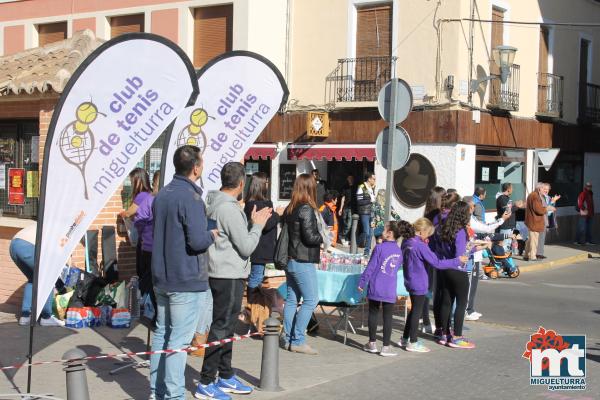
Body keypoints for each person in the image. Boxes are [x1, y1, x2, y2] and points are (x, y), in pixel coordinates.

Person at [196, 162, 271, 399]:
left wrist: (248, 223)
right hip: (227, 274)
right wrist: (257, 226)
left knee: (226, 327)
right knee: (221, 327)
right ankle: (206, 381)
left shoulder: (216, 203)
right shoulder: (228, 209)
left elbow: (230, 237)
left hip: (221, 270)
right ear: (241, 184)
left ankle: (225, 375)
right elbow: (247, 246)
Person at [150, 145, 216, 400]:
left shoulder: (163, 194)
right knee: (177, 342)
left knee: (162, 335)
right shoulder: (191, 199)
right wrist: (211, 234)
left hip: (163, 277)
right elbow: (197, 241)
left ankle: (157, 393)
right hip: (185, 280)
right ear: (196, 168)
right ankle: (174, 395)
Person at [397, 219, 467, 353]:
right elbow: (437, 263)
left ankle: (405, 338)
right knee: (416, 313)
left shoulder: (407, 241)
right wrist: (457, 261)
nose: (428, 237)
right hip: (420, 282)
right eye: (428, 234)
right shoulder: (420, 246)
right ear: (422, 231)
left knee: (413, 311)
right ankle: (413, 342)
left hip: (409, 280)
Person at [282, 174, 323, 355]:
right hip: (302, 260)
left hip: (291, 260)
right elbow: (309, 236)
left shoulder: (291, 208)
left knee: (292, 300)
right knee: (311, 299)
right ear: (309, 188)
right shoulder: (306, 209)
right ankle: (298, 339)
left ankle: (288, 338)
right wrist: (323, 236)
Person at [434, 201, 484, 349]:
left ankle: (444, 333)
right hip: (457, 270)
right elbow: (460, 255)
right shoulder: (460, 231)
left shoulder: (444, 227)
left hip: (445, 268)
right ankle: (457, 336)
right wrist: (474, 249)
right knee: (462, 303)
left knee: (446, 301)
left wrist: (476, 247)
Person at [242, 172, 284, 327]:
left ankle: (254, 308)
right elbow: (265, 225)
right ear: (260, 185)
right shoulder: (257, 204)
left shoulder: (250, 203)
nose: (268, 184)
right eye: (266, 182)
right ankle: (251, 308)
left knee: (258, 278)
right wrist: (278, 215)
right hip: (260, 248)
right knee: (256, 278)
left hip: (263, 248)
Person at [358, 221, 403, 357]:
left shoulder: (379, 248)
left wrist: (362, 282)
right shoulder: (399, 251)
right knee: (388, 317)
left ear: (389, 234)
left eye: (384, 229)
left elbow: (371, 267)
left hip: (376, 286)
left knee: (373, 313)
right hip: (390, 288)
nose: (381, 231)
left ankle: (372, 343)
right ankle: (386, 346)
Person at [462, 195, 510, 321]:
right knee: (469, 285)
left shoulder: (471, 218)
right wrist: (501, 220)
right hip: (472, 255)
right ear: (469, 207)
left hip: (476, 255)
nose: (474, 208)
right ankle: (466, 310)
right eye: (473, 206)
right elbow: (486, 228)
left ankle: (470, 309)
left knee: (473, 284)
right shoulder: (468, 220)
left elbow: (485, 227)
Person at [10, 222, 64, 327]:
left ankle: (25, 316)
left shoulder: (51, 219)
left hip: (14, 245)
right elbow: (61, 250)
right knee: (48, 278)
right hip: (28, 246)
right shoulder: (64, 229)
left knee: (33, 279)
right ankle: (46, 317)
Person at [119, 168, 155, 315]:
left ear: (139, 180)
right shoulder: (148, 195)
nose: (131, 183)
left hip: (145, 240)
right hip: (148, 238)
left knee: (143, 272)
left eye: (132, 180)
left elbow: (129, 212)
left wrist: (122, 214)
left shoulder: (141, 196)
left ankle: (142, 306)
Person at [524, 183, 556, 261]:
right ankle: (532, 256)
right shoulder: (535, 196)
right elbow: (539, 210)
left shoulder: (534, 195)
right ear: (539, 189)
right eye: (543, 188)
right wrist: (548, 208)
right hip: (534, 221)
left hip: (533, 221)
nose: (544, 190)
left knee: (531, 239)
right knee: (534, 240)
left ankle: (526, 255)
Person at [495, 183, 524, 251]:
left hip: (509, 225)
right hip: (506, 226)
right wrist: (517, 206)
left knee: (508, 245)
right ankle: (502, 260)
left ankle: (506, 259)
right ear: (508, 189)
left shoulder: (505, 198)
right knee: (505, 246)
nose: (512, 190)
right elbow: (507, 210)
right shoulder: (502, 198)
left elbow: (509, 207)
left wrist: (515, 204)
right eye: (512, 188)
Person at [537, 183, 560, 259]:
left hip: (545, 219)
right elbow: (545, 208)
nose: (546, 190)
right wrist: (552, 202)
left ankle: (539, 253)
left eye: (547, 189)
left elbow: (550, 211)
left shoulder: (549, 198)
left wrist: (553, 202)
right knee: (537, 237)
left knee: (542, 237)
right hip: (540, 219)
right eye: (545, 189)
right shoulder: (539, 197)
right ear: (541, 189)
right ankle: (537, 253)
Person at [356, 172, 376, 256]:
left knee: (371, 234)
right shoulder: (361, 187)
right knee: (366, 232)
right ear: (369, 179)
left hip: (371, 213)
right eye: (374, 179)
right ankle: (356, 243)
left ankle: (366, 252)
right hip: (364, 213)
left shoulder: (371, 188)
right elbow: (359, 201)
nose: (375, 181)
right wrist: (370, 201)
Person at [338, 174, 355, 246]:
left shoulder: (356, 187)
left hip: (352, 208)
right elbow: (343, 198)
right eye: (349, 178)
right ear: (347, 179)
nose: (350, 179)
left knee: (349, 224)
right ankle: (345, 237)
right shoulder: (345, 187)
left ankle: (342, 236)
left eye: (351, 178)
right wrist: (341, 208)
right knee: (345, 223)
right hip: (345, 207)